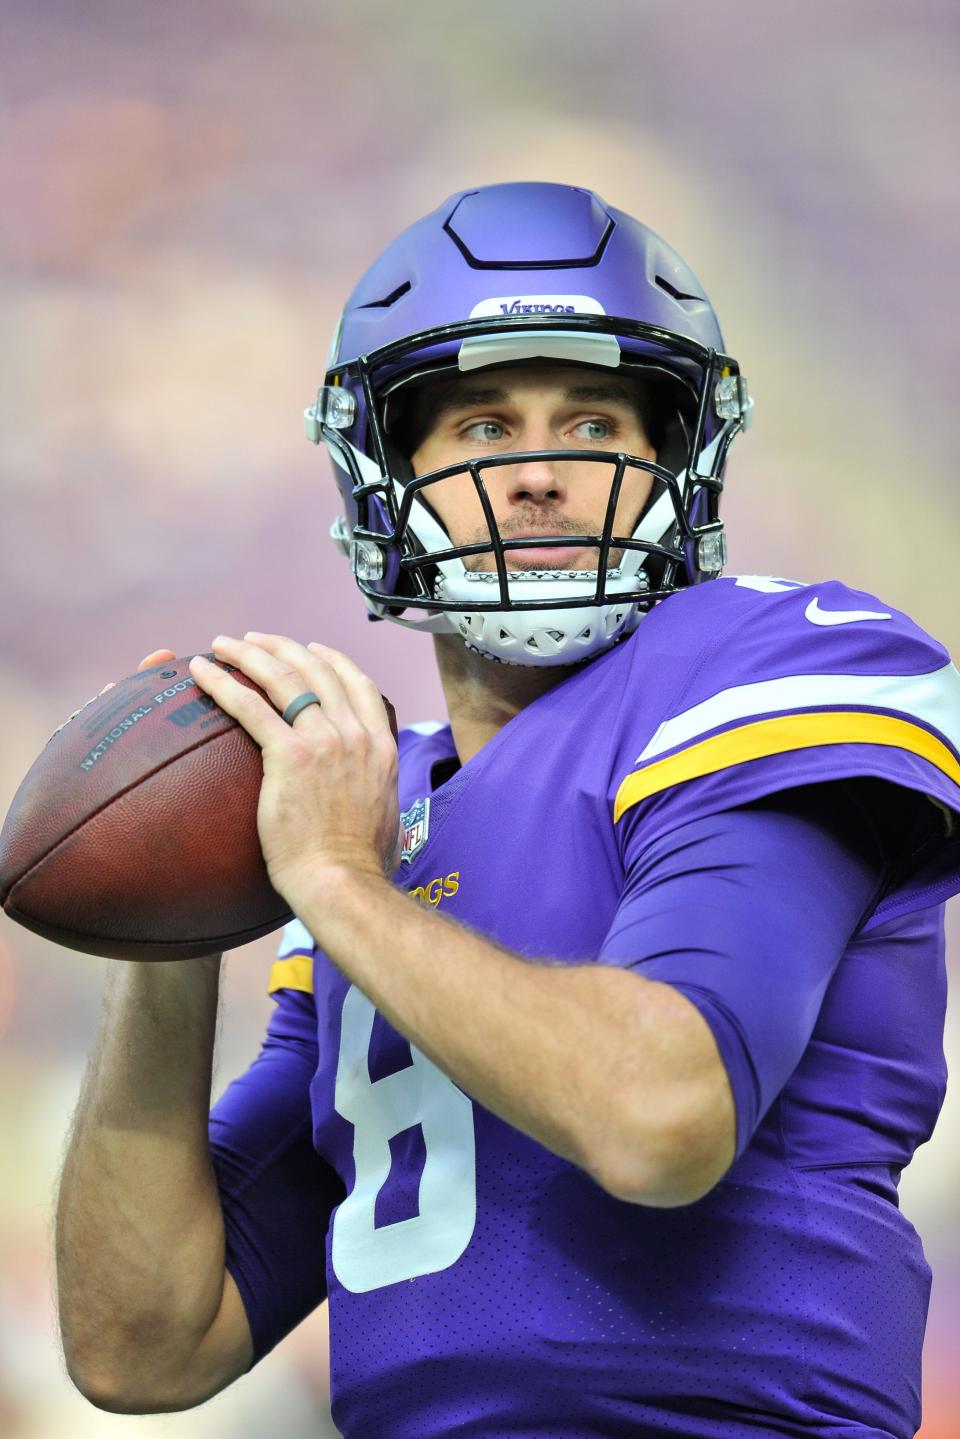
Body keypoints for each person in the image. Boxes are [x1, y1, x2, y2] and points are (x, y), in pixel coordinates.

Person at [55, 183, 960, 1438]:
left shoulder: (774, 662)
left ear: (674, 462)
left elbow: (660, 1116)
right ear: (386, 478)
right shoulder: (375, 812)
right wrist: (167, 915)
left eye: (593, 418)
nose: (540, 474)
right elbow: (143, 1343)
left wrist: (333, 876)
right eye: (481, 427)